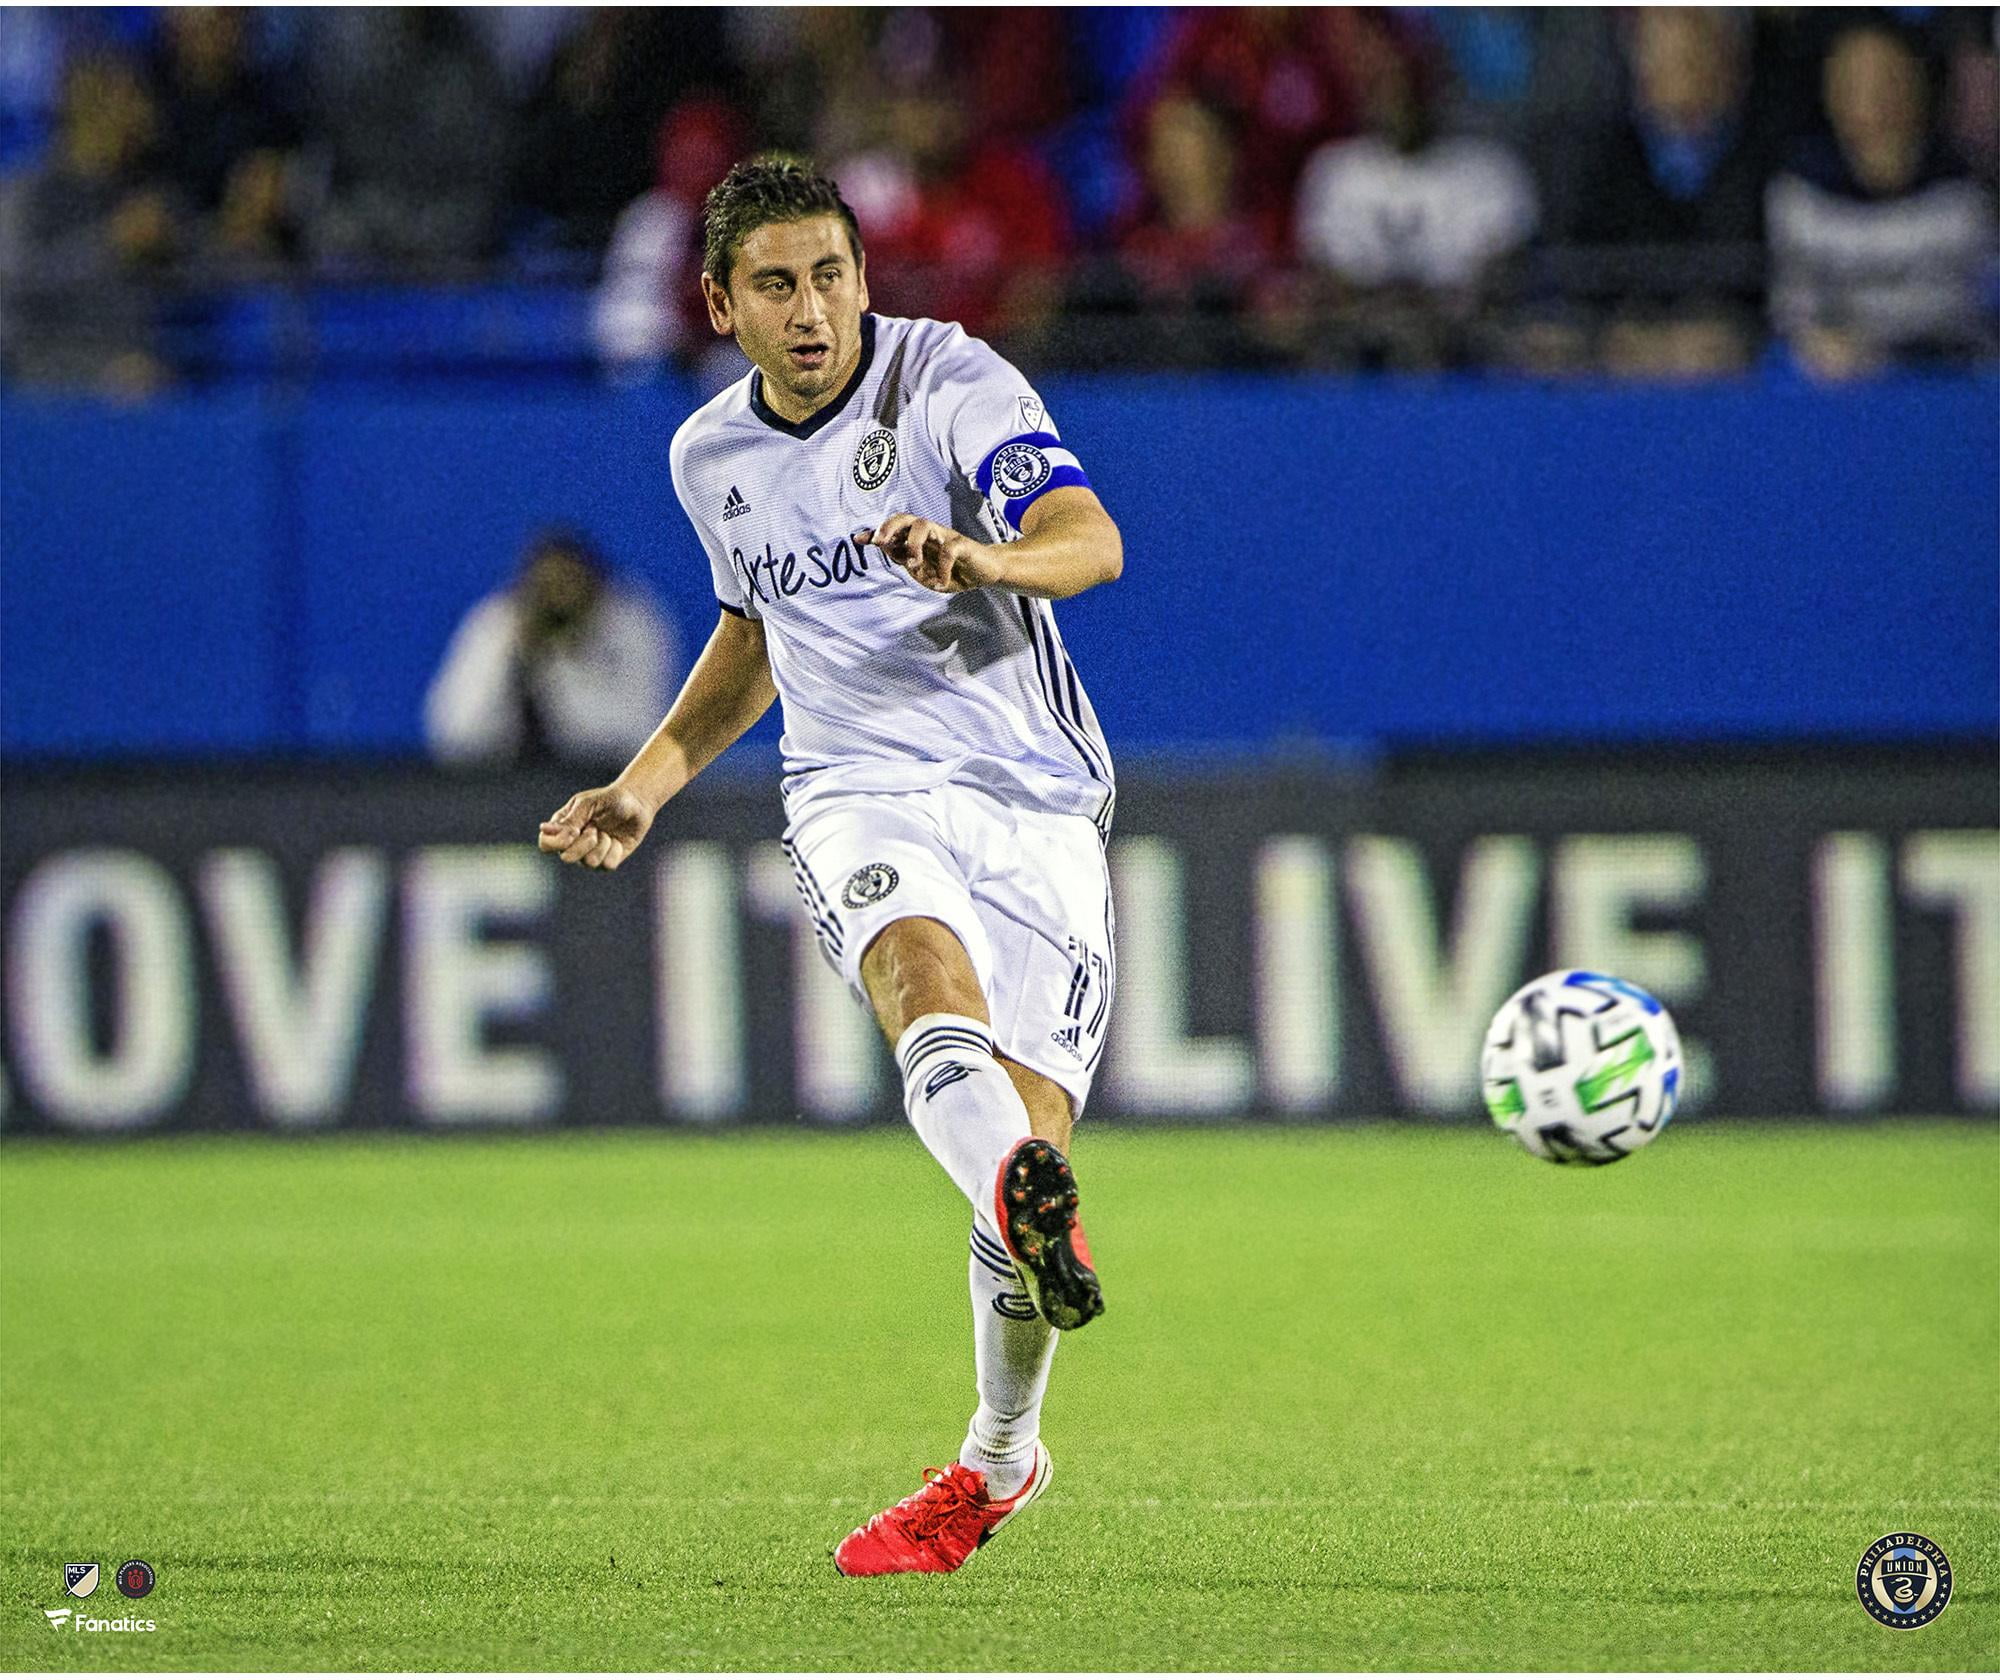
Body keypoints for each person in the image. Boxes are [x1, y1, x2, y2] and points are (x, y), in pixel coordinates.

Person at [537, 159, 1123, 1575]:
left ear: (869, 276)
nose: (814, 311)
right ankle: (1019, 1202)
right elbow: (756, 635)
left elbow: (1090, 544)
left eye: (834, 276)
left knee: (1023, 1156)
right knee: (920, 986)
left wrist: (982, 560)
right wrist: (648, 781)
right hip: (857, 789)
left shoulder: (946, 381)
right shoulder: (705, 459)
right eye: (778, 286)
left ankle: (999, 1456)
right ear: (720, 305)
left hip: (1037, 799)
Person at [426, 529, 675, 770]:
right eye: (546, 586)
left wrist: (563, 664)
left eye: (568, 582)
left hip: (604, 789)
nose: (558, 595)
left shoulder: (629, 624)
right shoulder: (500, 624)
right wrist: (515, 659)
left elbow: (639, 735)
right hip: (503, 791)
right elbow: (452, 734)